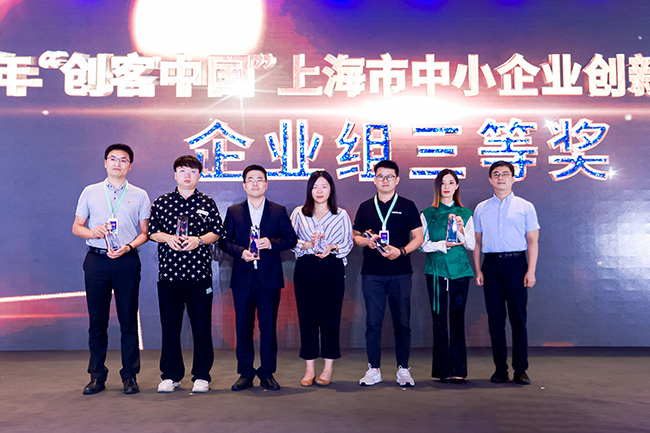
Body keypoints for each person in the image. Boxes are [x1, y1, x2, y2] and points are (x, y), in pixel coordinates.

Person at [72, 143, 150, 395]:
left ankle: (130, 376)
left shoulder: (140, 195)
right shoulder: (90, 191)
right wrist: (93, 232)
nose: (118, 163)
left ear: (130, 165)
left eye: (123, 160)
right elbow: (77, 227)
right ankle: (97, 376)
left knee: (128, 320)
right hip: (97, 260)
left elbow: (144, 233)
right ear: (105, 163)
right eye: (113, 159)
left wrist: (128, 247)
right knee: (97, 321)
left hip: (126, 261)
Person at [149, 155, 224, 393]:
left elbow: (217, 232)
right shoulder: (162, 202)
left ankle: (202, 376)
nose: (187, 175)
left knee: (201, 327)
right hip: (169, 276)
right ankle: (170, 375)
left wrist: (198, 240)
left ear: (199, 175)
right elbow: (152, 231)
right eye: (182, 170)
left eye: (192, 171)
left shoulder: (207, 202)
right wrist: (168, 238)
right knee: (170, 327)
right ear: (175, 174)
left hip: (199, 275)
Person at [219, 165, 298, 391]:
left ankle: (267, 372)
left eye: (259, 179)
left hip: (269, 278)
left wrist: (271, 243)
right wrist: (240, 252)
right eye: (250, 179)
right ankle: (245, 373)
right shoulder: (234, 211)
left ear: (266, 184)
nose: (255, 183)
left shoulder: (278, 211)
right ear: (244, 185)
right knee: (243, 327)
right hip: (243, 277)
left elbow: (291, 239)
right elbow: (224, 241)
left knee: (268, 327)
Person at [352, 159, 423, 387]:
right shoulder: (365, 207)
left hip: (401, 272)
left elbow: (419, 238)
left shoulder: (408, 206)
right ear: (374, 180)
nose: (385, 180)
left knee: (402, 322)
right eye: (380, 176)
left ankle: (403, 369)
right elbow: (355, 236)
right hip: (372, 273)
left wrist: (401, 251)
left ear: (397, 180)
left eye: (389, 176)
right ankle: (374, 369)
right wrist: (367, 242)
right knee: (373, 323)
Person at [472, 161, 539, 385]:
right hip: (491, 265)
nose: (501, 177)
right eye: (496, 174)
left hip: (517, 264)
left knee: (519, 320)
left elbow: (533, 241)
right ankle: (500, 369)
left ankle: (521, 369)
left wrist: (531, 270)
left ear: (513, 178)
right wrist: (478, 269)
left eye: (505, 174)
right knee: (495, 320)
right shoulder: (481, 208)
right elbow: (477, 242)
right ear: (490, 179)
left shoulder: (525, 206)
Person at [290, 170, 353, 387]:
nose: (319, 191)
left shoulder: (341, 214)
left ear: (331, 189)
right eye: (315, 187)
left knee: (330, 317)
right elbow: (290, 240)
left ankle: (327, 368)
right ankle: (309, 369)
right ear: (310, 190)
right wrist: (307, 244)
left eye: (324, 186)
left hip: (332, 267)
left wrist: (332, 246)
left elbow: (348, 243)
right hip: (306, 267)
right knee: (307, 318)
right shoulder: (299, 213)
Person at [420, 169, 475, 384]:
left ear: (457, 186)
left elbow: (471, 245)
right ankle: (442, 370)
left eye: (451, 182)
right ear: (437, 186)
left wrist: (460, 230)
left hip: (460, 272)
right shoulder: (427, 213)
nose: (446, 187)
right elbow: (422, 245)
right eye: (443, 183)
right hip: (436, 272)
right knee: (439, 321)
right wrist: (443, 244)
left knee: (458, 320)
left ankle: (459, 369)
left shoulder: (465, 213)